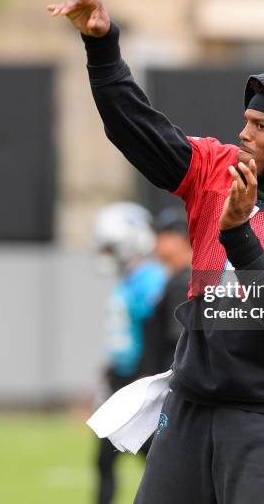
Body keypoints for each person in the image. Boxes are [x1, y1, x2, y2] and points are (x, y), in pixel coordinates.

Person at [48, 0, 264, 504]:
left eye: (261, 127)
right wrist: (103, 48)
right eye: (246, 120)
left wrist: (239, 235)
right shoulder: (215, 171)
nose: (243, 134)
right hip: (192, 402)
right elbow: (138, 130)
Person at [92, 202, 167, 504]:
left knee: (155, 459)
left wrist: (144, 375)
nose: (108, 255)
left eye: (112, 248)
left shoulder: (150, 279)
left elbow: (154, 333)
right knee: (105, 459)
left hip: (139, 380)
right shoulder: (130, 280)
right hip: (121, 379)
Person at [139, 208, 192, 376]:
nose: (156, 242)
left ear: (178, 238)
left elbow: (180, 342)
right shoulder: (179, 278)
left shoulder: (183, 283)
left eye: (161, 236)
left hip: (172, 380)